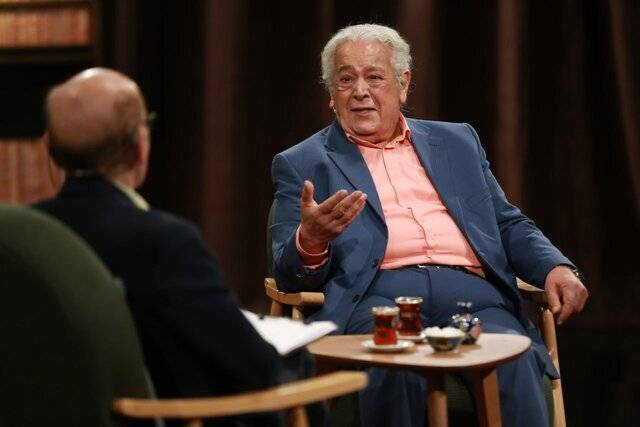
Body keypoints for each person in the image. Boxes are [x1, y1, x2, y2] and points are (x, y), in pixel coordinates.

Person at [271, 24, 588, 427]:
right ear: (332, 94)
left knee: (513, 359)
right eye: (346, 79)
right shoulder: (303, 162)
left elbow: (506, 223)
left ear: (403, 84)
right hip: (378, 298)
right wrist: (311, 240)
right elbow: (287, 271)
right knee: (394, 365)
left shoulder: (457, 142)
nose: (360, 91)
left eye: (374, 77)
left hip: (474, 299)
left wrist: (554, 267)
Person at [35, 68, 318, 427]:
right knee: (295, 371)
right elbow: (252, 366)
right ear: (140, 146)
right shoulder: (163, 243)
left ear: (49, 149)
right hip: (166, 418)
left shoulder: (22, 239)